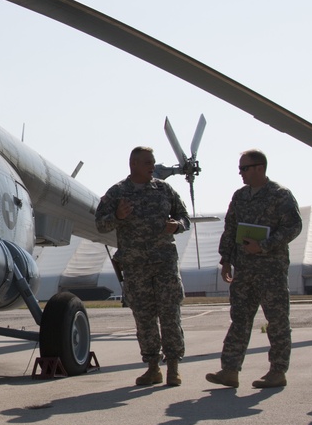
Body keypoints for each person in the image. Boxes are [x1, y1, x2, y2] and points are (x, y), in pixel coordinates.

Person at [205, 150, 301, 389]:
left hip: (271, 270)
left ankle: (277, 371)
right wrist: (225, 259)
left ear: (260, 168)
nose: (241, 174)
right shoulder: (240, 197)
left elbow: (293, 227)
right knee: (239, 320)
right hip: (244, 270)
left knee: (277, 321)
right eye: (240, 169)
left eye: (244, 169)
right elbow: (230, 229)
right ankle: (230, 370)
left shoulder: (280, 195)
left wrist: (264, 246)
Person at [95, 146, 189, 386]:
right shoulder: (117, 193)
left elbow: (185, 217)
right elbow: (101, 225)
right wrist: (118, 216)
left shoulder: (164, 189)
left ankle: (174, 368)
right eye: (148, 162)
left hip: (165, 264)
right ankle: (153, 367)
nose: (152, 166)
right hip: (136, 268)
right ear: (133, 164)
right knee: (144, 319)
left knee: (170, 315)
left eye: (153, 162)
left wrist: (176, 225)